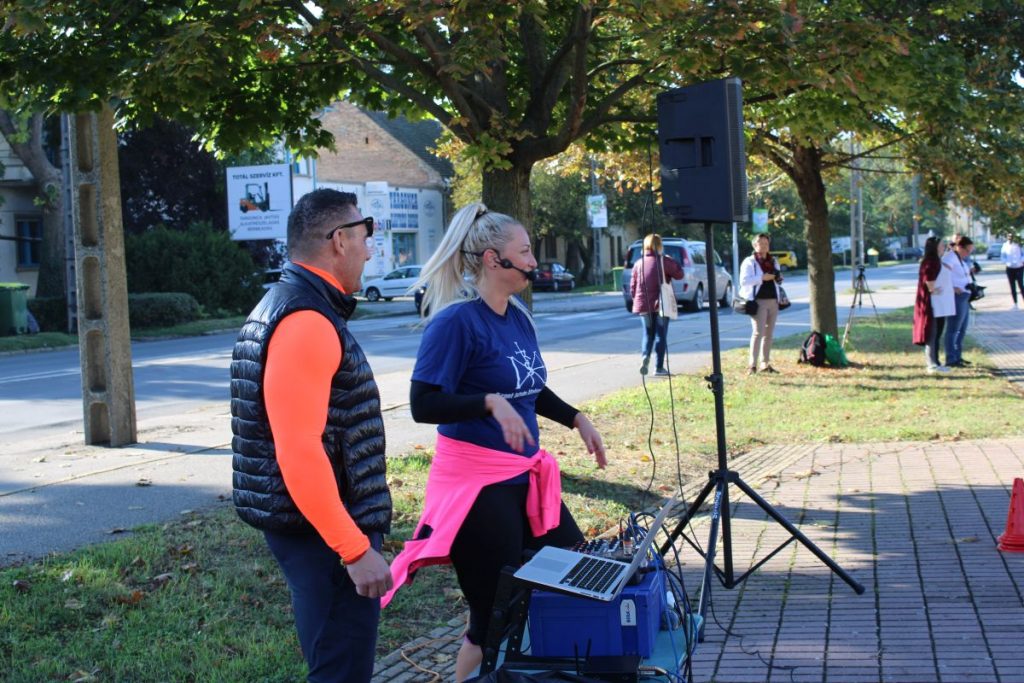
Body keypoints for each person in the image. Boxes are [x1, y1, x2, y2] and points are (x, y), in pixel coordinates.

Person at [381, 203, 607, 682]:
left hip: (524, 477)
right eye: (524, 252)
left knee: (576, 569)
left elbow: (528, 387)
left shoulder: (519, 317)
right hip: (475, 488)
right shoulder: (455, 323)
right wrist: (488, 403)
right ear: (492, 259)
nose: (532, 260)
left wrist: (576, 418)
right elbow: (424, 404)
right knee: (493, 616)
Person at [230, 189, 393, 683]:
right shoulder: (305, 320)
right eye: (366, 236)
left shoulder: (298, 307)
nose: (370, 249)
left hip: (315, 530)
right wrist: (354, 549)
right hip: (324, 537)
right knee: (339, 671)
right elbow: (298, 450)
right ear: (339, 241)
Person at [629, 233, 684, 376]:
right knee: (660, 335)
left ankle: (645, 356)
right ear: (659, 246)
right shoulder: (664, 261)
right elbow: (680, 274)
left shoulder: (638, 263)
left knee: (647, 334)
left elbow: (633, 286)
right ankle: (659, 368)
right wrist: (672, 260)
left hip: (643, 305)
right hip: (661, 304)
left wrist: (637, 300)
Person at [739, 233, 784, 375]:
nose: (764, 246)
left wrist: (778, 278)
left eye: (766, 243)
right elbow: (744, 281)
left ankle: (765, 364)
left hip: (773, 300)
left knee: (769, 334)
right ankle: (752, 365)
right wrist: (762, 278)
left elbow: (779, 279)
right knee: (758, 332)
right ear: (754, 245)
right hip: (758, 301)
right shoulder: (750, 262)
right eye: (760, 243)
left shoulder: (773, 261)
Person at [913, 236, 955, 373]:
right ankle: (931, 364)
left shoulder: (938, 261)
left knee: (937, 335)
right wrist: (933, 289)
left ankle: (936, 361)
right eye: (942, 244)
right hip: (932, 304)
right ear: (935, 247)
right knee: (932, 334)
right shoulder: (931, 261)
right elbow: (929, 280)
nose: (944, 246)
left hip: (940, 304)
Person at [942, 235, 975, 367]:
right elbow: (943, 274)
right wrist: (952, 287)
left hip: (965, 296)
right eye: (967, 251)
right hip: (957, 297)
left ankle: (958, 356)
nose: (968, 254)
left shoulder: (960, 259)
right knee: (953, 329)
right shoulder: (950, 258)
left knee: (962, 329)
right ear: (959, 247)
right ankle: (951, 358)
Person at [1000, 233, 1024, 309]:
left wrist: (1021, 261)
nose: (1010, 238)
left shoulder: (1019, 244)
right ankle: (1015, 303)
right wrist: (1006, 262)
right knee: (1012, 286)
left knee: (1021, 285)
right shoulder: (1005, 245)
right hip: (1010, 268)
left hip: (1019, 267)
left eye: (1012, 236)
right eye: (1009, 236)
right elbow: (1002, 256)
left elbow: (1023, 254)